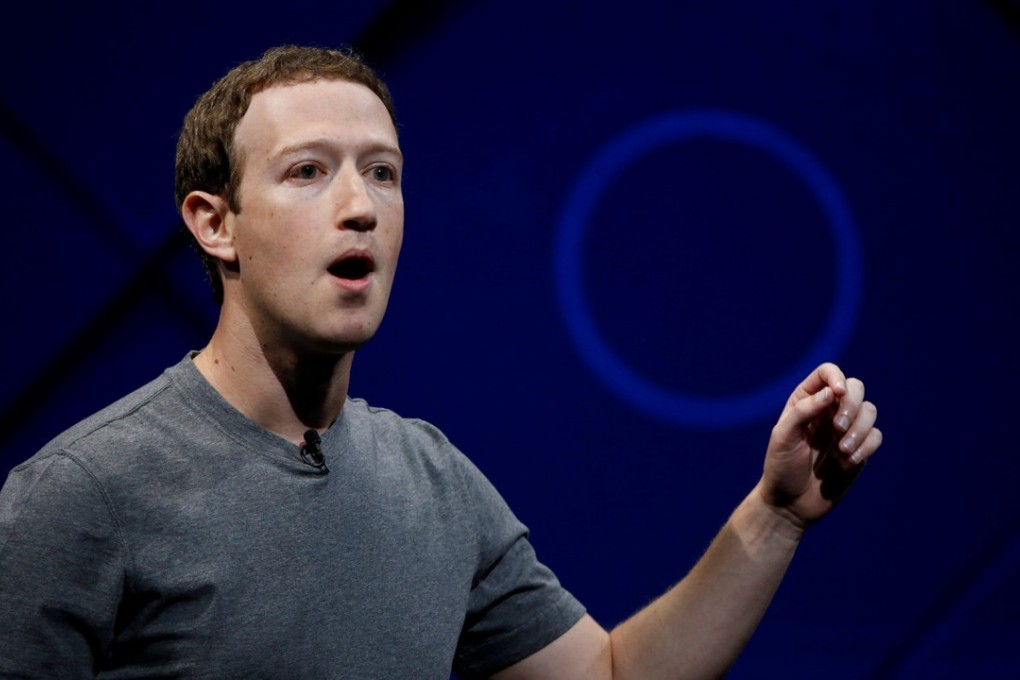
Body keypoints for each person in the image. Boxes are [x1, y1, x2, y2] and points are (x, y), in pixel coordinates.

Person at [0, 45, 882, 679]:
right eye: (308, 172)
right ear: (214, 222)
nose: (361, 207)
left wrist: (774, 517)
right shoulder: (84, 494)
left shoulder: (428, 477)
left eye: (382, 173)